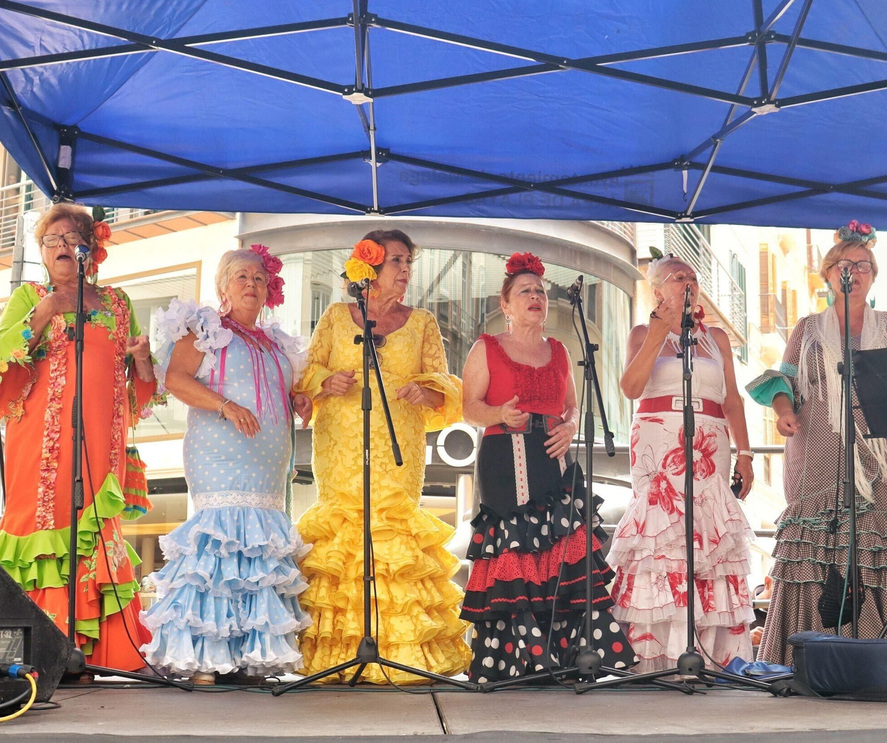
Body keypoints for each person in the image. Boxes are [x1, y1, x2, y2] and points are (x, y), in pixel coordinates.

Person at [0, 203, 158, 675]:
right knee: (36, 527)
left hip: (100, 443)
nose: (60, 247)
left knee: (91, 528)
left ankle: (91, 652)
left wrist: (142, 359)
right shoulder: (29, 297)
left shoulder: (118, 303)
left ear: (90, 249)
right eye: (50, 241)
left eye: (70, 239)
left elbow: (139, 390)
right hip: (40, 441)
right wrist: (45, 313)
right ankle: (28, 656)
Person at [292, 230, 470, 682]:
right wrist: (324, 382)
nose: (406, 270)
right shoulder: (335, 317)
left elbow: (445, 383)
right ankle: (337, 658)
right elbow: (307, 373)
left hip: (398, 449)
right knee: (344, 539)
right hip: (341, 449)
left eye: (409, 261)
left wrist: (426, 390)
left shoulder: (424, 321)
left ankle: (402, 657)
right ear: (368, 269)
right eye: (396, 261)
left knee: (393, 537)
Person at [140, 246, 317, 685]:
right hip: (220, 451)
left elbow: (279, 390)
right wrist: (225, 405)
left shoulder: (276, 343)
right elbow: (175, 379)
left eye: (259, 279)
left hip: (269, 460)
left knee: (258, 552)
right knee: (221, 545)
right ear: (223, 286)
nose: (251, 285)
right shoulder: (206, 329)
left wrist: (298, 400)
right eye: (241, 277)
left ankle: (247, 656)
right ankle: (206, 658)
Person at [749, 222, 887, 664]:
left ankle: (881, 658)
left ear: (874, 276)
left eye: (864, 266)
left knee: (872, 539)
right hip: (817, 447)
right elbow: (782, 381)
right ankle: (807, 658)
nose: (855, 273)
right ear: (828, 275)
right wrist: (785, 411)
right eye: (845, 265)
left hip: (881, 451)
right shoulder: (807, 329)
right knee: (818, 540)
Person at [457, 251, 628, 684]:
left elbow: (572, 408)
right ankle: (517, 662)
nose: (536, 297)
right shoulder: (487, 347)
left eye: (541, 291)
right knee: (515, 552)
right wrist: (499, 414)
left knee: (562, 553)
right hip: (504, 458)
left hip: (553, 459)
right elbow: (469, 408)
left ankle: (565, 660)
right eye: (525, 291)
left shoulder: (561, 351)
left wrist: (571, 427)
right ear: (506, 305)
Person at [609, 254, 756, 672]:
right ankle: (657, 655)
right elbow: (631, 387)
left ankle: (711, 654)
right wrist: (658, 333)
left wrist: (745, 454)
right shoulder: (643, 332)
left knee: (708, 540)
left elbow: (732, 400)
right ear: (657, 291)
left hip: (710, 441)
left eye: (693, 276)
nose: (688, 282)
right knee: (664, 540)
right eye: (678, 277)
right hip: (660, 439)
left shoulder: (716, 339)